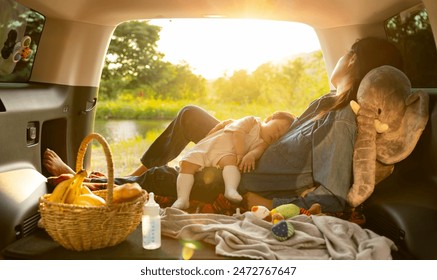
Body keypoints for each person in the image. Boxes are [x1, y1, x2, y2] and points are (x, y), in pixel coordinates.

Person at [44, 37, 403, 214]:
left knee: (163, 178)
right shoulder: (324, 102)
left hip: (242, 173)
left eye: (344, 52)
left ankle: (92, 182)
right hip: (247, 147)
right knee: (190, 114)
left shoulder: (340, 123)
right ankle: (131, 172)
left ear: (352, 59)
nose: (339, 57)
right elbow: (284, 138)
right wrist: (249, 132)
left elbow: (332, 198)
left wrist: (265, 201)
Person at [172, 111, 294, 209]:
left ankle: (230, 190)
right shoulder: (252, 121)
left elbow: (257, 151)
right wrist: (241, 153)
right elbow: (238, 132)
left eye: (280, 136)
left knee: (231, 162)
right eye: (278, 129)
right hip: (210, 146)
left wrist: (250, 156)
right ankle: (182, 198)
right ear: (269, 118)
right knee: (187, 165)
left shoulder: (264, 143)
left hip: (226, 154)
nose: (277, 135)